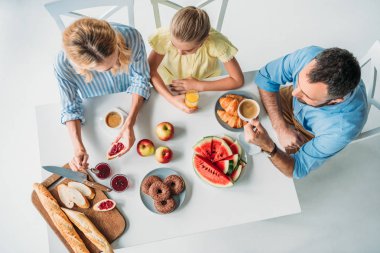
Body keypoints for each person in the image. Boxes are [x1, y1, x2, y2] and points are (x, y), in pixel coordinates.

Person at [244, 46, 368, 178]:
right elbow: (265, 77)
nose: (294, 92)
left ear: (335, 101)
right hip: (288, 105)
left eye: (307, 95)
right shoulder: (308, 56)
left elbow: (297, 168)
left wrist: (270, 147)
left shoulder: (341, 129)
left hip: (310, 135)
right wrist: (280, 127)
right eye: (298, 81)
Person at [54, 18, 151, 171]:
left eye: (117, 56)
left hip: (132, 99)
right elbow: (71, 108)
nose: (119, 66)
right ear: (83, 67)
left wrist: (130, 122)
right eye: (108, 68)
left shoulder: (131, 36)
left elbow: (140, 79)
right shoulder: (63, 64)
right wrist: (78, 148)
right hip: (95, 110)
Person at [148, 6, 244, 113]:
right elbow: (151, 70)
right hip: (168, 83)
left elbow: (238, 80)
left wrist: (199, 85)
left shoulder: (216, 43)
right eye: (174, 45)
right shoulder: (164, 37)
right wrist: (172, 99)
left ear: (204, 40)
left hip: (206, 82)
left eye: (188, 50)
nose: (179, 52)